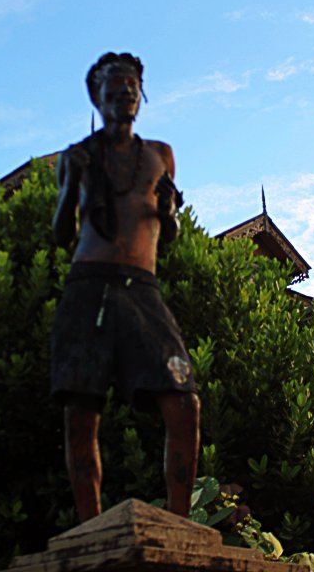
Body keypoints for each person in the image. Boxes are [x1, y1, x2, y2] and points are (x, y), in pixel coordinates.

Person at [51, 52, 200, 522]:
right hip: (89, 284)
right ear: (96, 98)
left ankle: (180, 521)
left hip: (143, 288)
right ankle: (90, 525)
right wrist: (72, 183)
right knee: (81, 411)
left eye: (130, 90)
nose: (122, 99)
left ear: (142, 95)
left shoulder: (160, 155)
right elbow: (60, 235)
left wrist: (170, 212)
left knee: (184, 401)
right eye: (112, 92)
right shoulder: (78, 156)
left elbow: (168, 233)